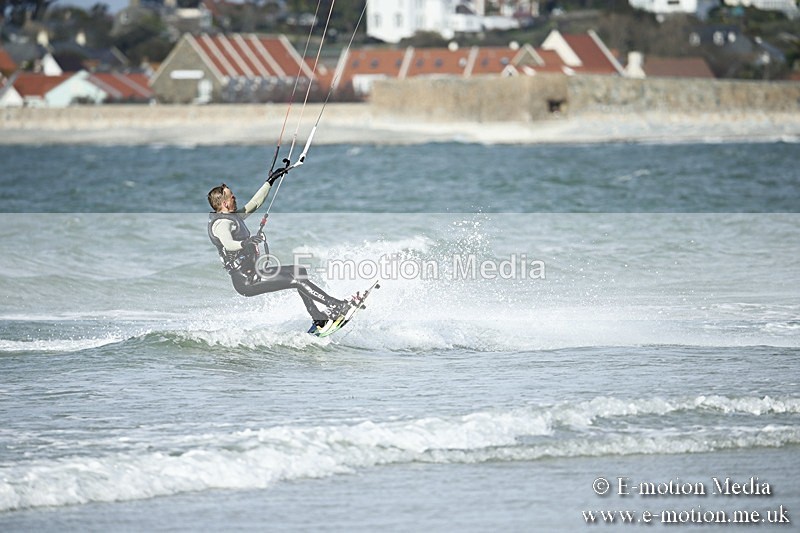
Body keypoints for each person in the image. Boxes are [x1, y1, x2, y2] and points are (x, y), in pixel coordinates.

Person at [207, 171, 351, 330]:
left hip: (254, 273)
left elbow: (255, 203)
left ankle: (318, 317)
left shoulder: (235, 217)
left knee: (299, 271)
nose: (235, 197)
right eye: (231, 196)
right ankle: (336, 306)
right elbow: (228, 244)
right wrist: (245, 242)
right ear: (225, 203)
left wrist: (270, 181)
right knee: (296, 281)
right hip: (246, 281)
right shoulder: (221, 224)